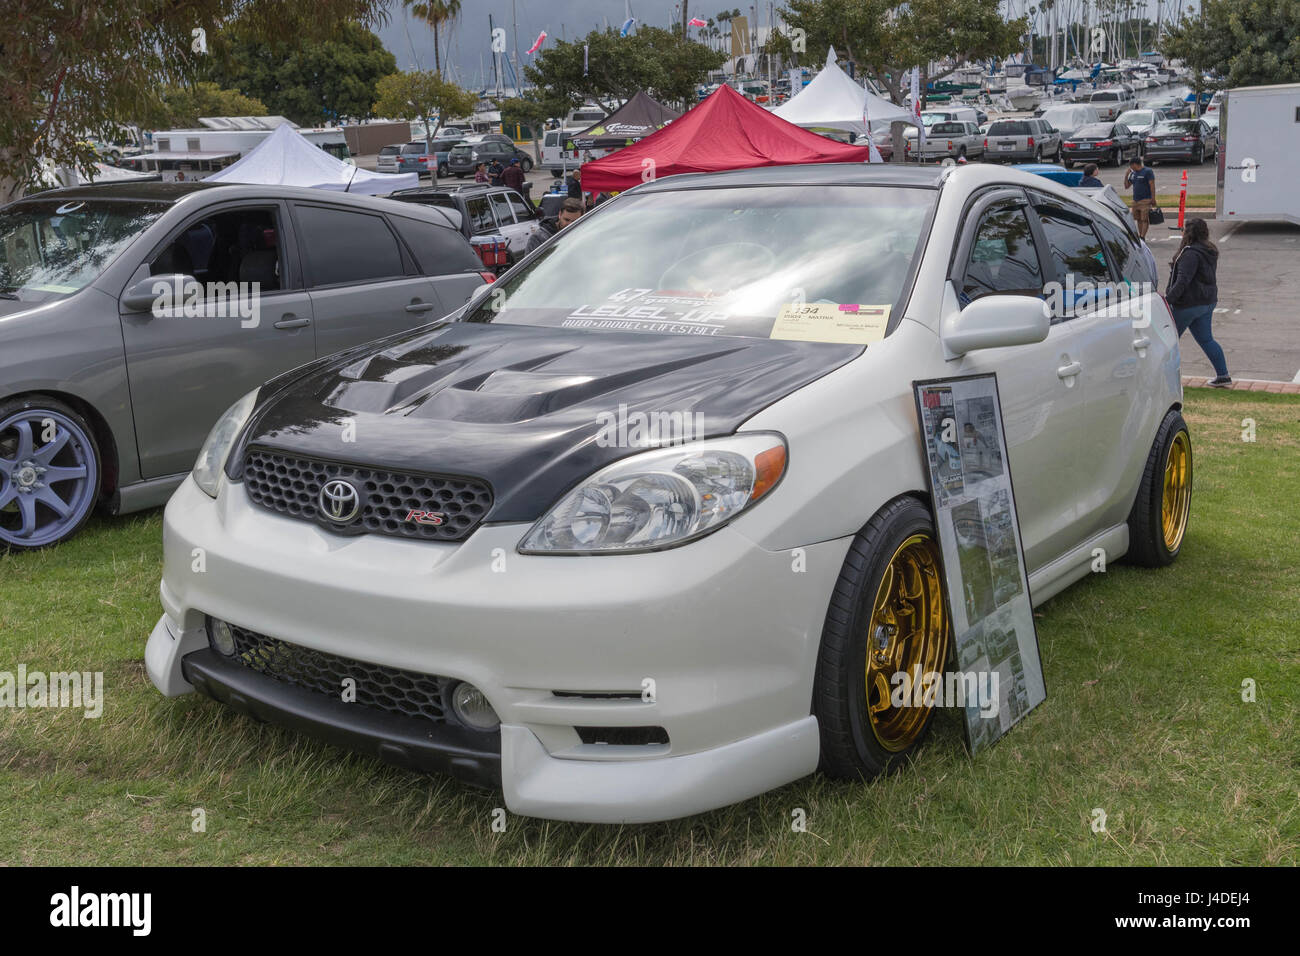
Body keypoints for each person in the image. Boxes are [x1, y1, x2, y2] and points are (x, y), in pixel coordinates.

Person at [1166, 217, 1231, 387]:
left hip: (1188, 304)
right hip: (1207, 302)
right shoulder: (1209, 250)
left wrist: (1167, 301)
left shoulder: (1190, 254)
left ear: (1187, 233)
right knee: (1206, 339)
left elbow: (1182, 281)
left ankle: (1165, 378)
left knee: (1168, 341)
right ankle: (1223, 375)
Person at [1123, 156, 1156, 239]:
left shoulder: (1148, 171)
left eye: (1130, 165)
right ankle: (1140, 234)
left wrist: (1153, 198)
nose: (1130, 167)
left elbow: (1152, 185)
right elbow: (1127, 186)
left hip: (1145, 199)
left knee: (1144, 219)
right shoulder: (1133, 174)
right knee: (1138, 219)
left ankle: (1142, 236)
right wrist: (1126, 175)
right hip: (1135, 200)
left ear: (1134, 164)